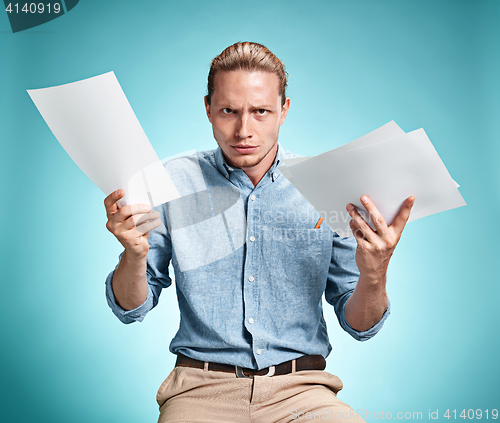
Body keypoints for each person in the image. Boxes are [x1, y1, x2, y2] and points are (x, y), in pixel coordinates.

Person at [104, 41, 414, 422]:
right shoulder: (168, 183)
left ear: (284, 110)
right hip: (199, 391)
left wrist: (375, 270)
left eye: (260, 111)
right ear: (208, 109)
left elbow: (362, 326)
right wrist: (133, 255)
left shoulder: (328, 186)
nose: (243, 130)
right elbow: (131, 308)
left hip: (304, 392)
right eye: (229, 111)